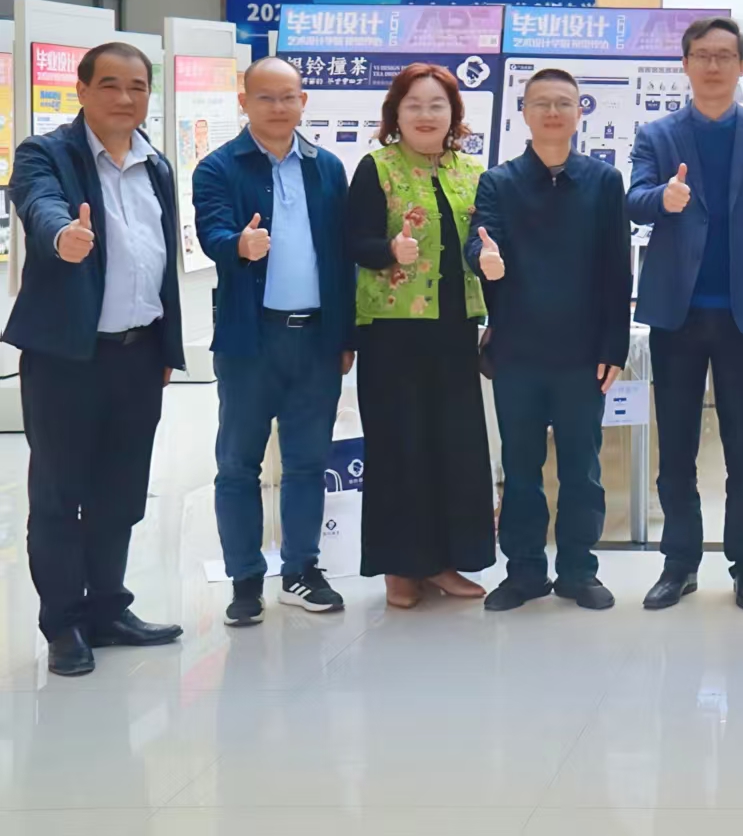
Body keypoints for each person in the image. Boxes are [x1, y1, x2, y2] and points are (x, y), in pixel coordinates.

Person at [6, 42, 186, 677]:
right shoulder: (46, 153)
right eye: (110, 84)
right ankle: (63, 625)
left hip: (138, 355)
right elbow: (38, 203)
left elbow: (161, 262)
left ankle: (108, 609)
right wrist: (64, 235)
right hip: (67, 358)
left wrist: (166, 346)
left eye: (137, 86)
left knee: (121, 492)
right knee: (60, 494)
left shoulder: (155, 163)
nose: (125, 98)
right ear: (81, 91)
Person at [629, 16, 743, 612]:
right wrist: (664, 198)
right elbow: (635, 199)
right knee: (676, 447)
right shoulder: (657, 134)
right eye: (702, 54)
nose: (713, 65)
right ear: (685, 63)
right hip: (676, 314)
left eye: (725, 56)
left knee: (742, 447)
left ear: (741, 66)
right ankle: (679, 564)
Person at [194, 56, 355, 627]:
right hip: (250, 340)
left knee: (308, 462)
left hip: (316, 339)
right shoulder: (218, 167)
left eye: (289, 97)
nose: (279, 107)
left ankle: (301, 571)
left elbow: (340, 257)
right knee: (238, 464)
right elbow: (211, 231)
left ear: (303, 102)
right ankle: (244, 580)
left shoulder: (327, 167)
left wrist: (344, 334)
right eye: (265, 97)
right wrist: (238, 245)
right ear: (244, 102)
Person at [467, 68, 632, 613]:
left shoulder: (604, 182)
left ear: (580, 111)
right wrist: (484, 258)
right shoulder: (499, 182)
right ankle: (524, 572)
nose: (553, 112)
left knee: (582, 467)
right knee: (520, 469)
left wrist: (613, 346)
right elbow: (479, 241)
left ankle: (579, 570)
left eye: (564, 102)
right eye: (542, 103)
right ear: (525, 113)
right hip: (518, 351)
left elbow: (617, 268)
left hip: (583, 354)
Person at [348, 62, 495, 610]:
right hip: (393, 334)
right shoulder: (377, 168)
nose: (426, 115)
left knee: (452, 446)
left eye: (437, 105)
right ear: (396, 114)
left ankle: (443, 562)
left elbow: (487, 244)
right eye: (414, 105)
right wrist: (389, 250)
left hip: (455, 331)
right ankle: (399, 568)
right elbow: (353, 241)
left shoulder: (472, 172)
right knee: (400, 446)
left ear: (454, 114)